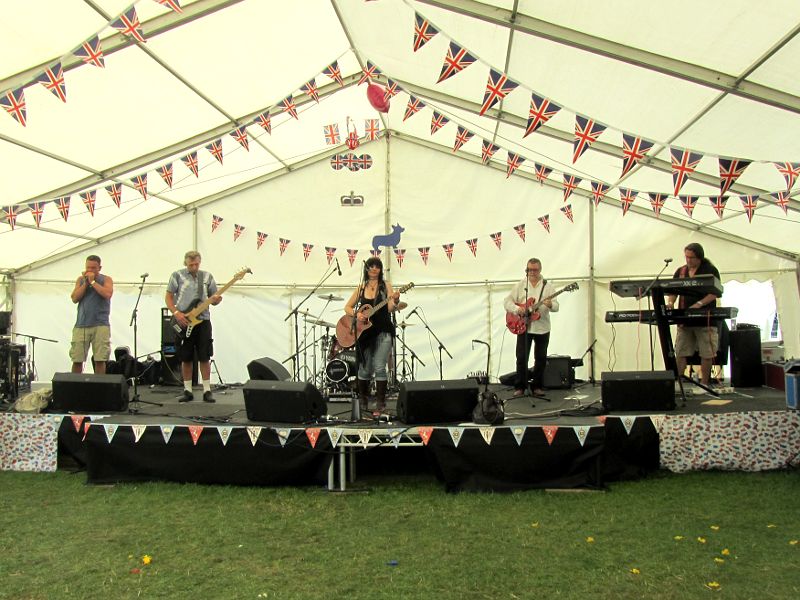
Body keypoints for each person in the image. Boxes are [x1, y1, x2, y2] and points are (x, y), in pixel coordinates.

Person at [343, 257, 400, 414]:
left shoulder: (385, 286)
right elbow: (347, 307)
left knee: (380, 365)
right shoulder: (361, 288)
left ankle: (381, 403)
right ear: (366, 269)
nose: (374, 269)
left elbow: (389, 308)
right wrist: (357, 314)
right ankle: (363, 400)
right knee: (364, 369)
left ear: (381, 270)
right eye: (372, 266)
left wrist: (395, 300)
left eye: (378, 266)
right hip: (365, 334)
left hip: (383, 331)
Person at [165, 251, 222, 403]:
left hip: (203, 321)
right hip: (184, 320)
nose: (194, 267)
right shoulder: (177, 276)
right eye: (191, 265)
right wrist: (176, 313)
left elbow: (214, 299)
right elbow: (168, 296)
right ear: (186, 263)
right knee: (186, 356)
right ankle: (187, 390)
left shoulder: (207, 277)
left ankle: (207, 390)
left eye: (196, 264)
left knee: (205, 355)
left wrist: (217, 299)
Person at [667, 242, 722, 386]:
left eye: (691, 257)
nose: (688, 260)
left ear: (699, 258)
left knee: (707, 353)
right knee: (680, 351)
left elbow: (715, 293)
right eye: (686, 257)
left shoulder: (710, 270)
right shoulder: (681, 271)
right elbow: (672, 291)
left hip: (705, 319)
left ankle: (704, 384)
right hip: (685, 320)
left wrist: (700, 304)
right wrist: (671, 303)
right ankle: (677, 384)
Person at [504, 258, 559, 398]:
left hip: (542, 327)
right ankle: (520, 386)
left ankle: (537, 386)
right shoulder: (520, 285)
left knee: (540, 358)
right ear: (526, 270)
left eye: (535, 270)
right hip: (524, 327)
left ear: (540, 270)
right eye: (529, 270)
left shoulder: (548, 286)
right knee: (521, 357)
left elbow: (556, 306)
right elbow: (507, 302)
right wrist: (517, 309)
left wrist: (550, 305)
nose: (532, 272)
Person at [70, 255, 113, 374]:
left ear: (99, 267)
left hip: (100, 324)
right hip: (81, 325)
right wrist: (86, 283)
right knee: (77, 359)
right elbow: (74, 298)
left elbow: (107, 294)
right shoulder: (80, 279)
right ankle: (75, 386)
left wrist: (93, 282)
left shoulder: (106, 279)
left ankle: (99, 388)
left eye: (93, 268)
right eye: (88, 267)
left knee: (100, 359)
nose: (90, 270)